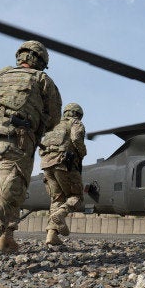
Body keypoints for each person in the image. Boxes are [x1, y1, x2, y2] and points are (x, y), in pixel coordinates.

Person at [0, 40, 62, 272]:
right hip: (15, 140)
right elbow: (55, 119)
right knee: (9, 195)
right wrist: (35, 129)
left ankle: (1, 239)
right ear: (41, 61)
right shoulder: (42, 80)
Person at [39, 102, 87, 245]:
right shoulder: (75, 123)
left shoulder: (53, 125)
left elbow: (42, 145)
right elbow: (76, 138)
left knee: (57, 200)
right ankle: (61, 214)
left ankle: (51, 236)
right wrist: (82, 152)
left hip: (46, 165)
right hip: (64, 164)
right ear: (78, 114)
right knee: (76, 196)